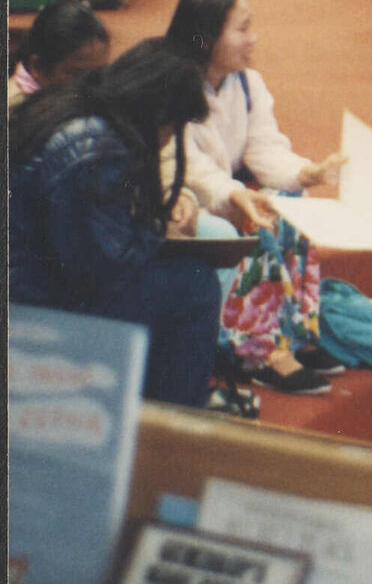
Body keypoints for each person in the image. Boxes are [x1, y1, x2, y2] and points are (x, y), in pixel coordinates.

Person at [9, 38, 222, 407]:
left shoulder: (72, 107)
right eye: (175, 125)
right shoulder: (95, 147)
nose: (173, 136)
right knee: (195, 283)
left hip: (26, 286)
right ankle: (173, 428)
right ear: (159, 113)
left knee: (177, 277)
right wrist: (156, 235)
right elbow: (101, 271)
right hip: (31, 306)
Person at [165, 0, 348, 394]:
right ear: (207, 37)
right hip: (186, 199)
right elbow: (186, 168)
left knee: (291, 202)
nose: (255, 38)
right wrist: (236, 196)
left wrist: (310, 173)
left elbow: (266, 150)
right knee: (251, 224)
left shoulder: (248, 83)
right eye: (243, 29)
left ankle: (295, 332)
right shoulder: (173, 87)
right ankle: (256, 349)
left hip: (229, 191)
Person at [8, 0, 110, 112]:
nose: (91, 87)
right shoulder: (14, 112)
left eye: (98, 74)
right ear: (37, 67)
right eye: (77, 75)